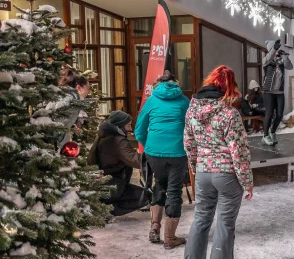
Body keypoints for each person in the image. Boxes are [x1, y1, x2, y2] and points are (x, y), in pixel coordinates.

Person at [183, 65, 253, 259]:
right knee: (225, 224)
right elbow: (239, 152)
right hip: (227, 176)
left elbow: (188, 143)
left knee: (201, 219)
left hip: (204, 173)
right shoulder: (230, 114)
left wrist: (197, 166)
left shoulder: (191, 112)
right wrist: (247, 182)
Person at [134, 71, 190, 249]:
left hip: (154, 152)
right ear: (176, 83)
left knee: (159, 184)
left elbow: (139, 130)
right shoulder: (183, 101)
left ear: (158, 84)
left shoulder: (151, 100)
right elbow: (191, 127)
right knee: (174, 191)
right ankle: (170, 237)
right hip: (177, 151)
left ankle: (155, 227)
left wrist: (149, 145)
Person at [89, 111, 144, 216]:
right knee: (145, 196)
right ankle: (106, 211)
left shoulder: (105, 136)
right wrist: (154, 158)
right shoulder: (118, 140)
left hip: (105, 181)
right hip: (112, 184)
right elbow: (135, 160)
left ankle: (104, 207)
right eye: (127, 121)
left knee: (143, 195)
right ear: (120, 124)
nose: (130, 123)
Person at [262, 39, 293, 146]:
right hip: (269, 92)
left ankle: (272, 132)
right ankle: (265, 135)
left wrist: (284, 55)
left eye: (277, 48)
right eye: (274, 48)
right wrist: (274, 49)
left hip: (279, 92)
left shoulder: (281, 61)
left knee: (279, 115)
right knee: (269, 113)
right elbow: (269, 58)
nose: (276, 50)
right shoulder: (266, 61)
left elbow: (290, 66)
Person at [56, 68, 91, 150]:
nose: (89, 92)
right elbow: (60, 124)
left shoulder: (70, 97)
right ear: (79, 87)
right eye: (87, 88)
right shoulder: (70, 99)